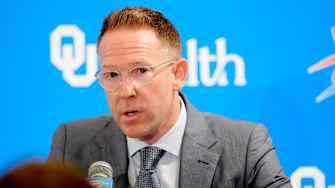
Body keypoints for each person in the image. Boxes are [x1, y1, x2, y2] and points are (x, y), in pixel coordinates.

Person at [47, 6, 292, 188]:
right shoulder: (72, 144)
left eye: (141, 71)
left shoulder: (245, 146)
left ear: (177, 74)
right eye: (111, 74)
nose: (125, 91)